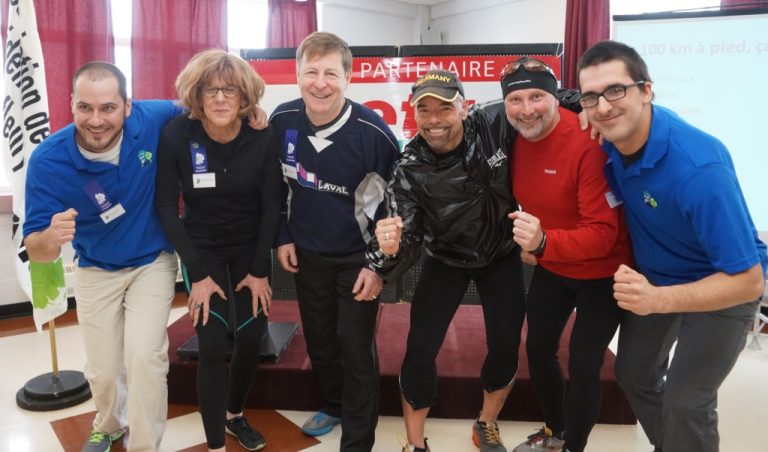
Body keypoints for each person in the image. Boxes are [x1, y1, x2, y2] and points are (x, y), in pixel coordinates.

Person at [577, 40, 767, 452]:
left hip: (723, 285)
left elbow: (749, 281)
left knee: (686, 401)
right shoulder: (611, 135)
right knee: (634, 373)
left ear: (646, 91)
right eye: (591, 97)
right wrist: (589, 111)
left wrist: (659, 300)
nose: (604, 107)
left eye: (616, 90)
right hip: (659, 278)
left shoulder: (700, 169)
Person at [23, 62, 182, 452]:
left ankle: (145, 446)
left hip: (152, 261)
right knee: (104, 369)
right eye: (85, 108)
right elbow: (37, 251)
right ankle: (109, 425)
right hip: (95, 266)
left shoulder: (153, 117)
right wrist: (51, 237)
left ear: (128, 106)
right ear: (71, 104)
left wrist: (249, 110)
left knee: (145, 357)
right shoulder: (48, 160)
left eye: (108, 107)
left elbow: (204, 104)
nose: (96, 120)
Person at [370, 69, 526, 452]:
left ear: (464, 106)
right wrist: (387, 252)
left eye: (444, 107)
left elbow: (545, 101)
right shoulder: (409, 168)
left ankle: (486, 423)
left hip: (501, 254)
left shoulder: (493, 121)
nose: (434, 119)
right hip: (445, 260)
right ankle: (414, 443)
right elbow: (407, 240)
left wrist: (588, 110)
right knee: (420, 346)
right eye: (424, 109)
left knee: (506, 343)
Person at [270, 31, 400, 451]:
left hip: (357, 259)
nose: (320, 83)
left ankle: (358, 440)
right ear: (297, 75)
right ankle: (334, 404)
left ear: (348, 78)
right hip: (307, 254)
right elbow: (275, 187)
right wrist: (283, 236)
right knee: (320, 338)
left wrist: (376, 265)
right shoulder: (282, 121)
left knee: (356, 348)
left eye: (330, 73)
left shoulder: (373, 132)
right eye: (311, 72)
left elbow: (396, 205)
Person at [496, 57, 632, 452]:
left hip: (602, 272)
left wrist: (542, 244)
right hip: (553, 267)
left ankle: (575, 447)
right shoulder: (513, 136)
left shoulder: (589, 143)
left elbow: (603, 235)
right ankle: (555, 432)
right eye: (515, 99)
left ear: (555, 97)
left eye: (536, 97)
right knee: (538, 350)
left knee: (585, 363)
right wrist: (544, 249)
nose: (526, 109)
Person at [155, 49, 281, 452]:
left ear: (245, 97)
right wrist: (197, 273)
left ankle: (234, 416)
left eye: (231, 90)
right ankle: (215, 446)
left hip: (250, 246)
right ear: (197, 95)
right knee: (210, 344)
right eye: (211, 90)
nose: (221, 98)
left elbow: (272, 205)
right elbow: (166, 208)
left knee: (251, 336)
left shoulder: (262, 135)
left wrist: (259, 270)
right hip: (202, 248)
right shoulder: (176, 135)